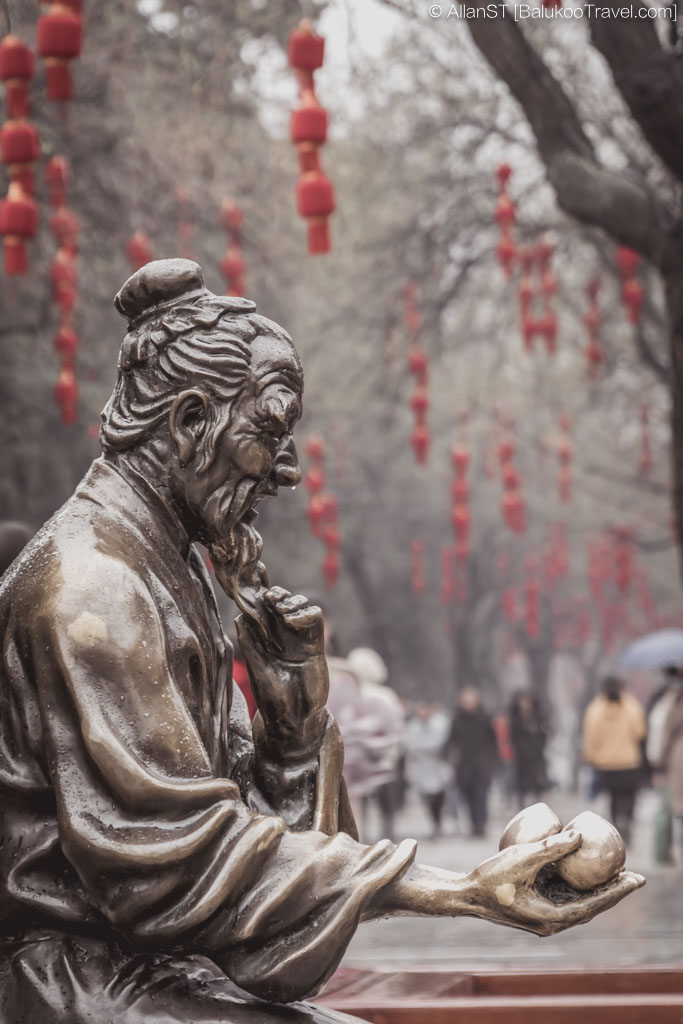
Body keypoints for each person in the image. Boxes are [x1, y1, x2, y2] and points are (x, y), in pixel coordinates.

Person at [0, 260, 642, 1023]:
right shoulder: (92, 588)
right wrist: (453, 891)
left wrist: (293, 729)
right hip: (68, 984)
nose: (288, 470)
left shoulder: (177, 570)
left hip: (156, 969)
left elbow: (263, 929)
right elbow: (170, 873)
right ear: (189, 421)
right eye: (269, 429)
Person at [347, 646, 405, 842]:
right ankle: (387, 836)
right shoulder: (386, 695)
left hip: (356, 758)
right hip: (381, 757)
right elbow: (396, 728)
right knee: (385, 801)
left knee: (359, 802)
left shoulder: (351, 694)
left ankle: (362, 837)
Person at [583, 676, 646, 843]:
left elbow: (591, 737)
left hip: (606, 764)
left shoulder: (595, 709)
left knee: (613, 797)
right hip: (629, 762)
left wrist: (591, 758)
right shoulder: (631, 706)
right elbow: (639, 732)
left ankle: (617, 821)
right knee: (629, 796)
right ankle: (627, 818)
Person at [448, 687, 498, 837]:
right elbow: (452, 740)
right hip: (464, 765)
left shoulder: (484, 718)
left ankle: (481, 824)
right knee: (468, 796)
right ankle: (473, 824)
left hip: (481, 763)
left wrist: (492, 760)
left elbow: (492, 741)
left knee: (481, 795)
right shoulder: (457, 719)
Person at [404, 702, 452, 839]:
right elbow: (409, 744)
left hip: (437, 765)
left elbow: (444, 742)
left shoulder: (440, 724)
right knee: (426, 797)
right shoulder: (412, 726)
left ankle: (438, 822)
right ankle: (434, 823)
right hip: (421, 766)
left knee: (439, 797)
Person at [509, 690, 549, 808]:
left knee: (537, 785)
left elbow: (544, 735)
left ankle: (538, 807)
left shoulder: (538, 718)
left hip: (536, 756)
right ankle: (521, 808)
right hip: (521, 758)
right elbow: (513, 737)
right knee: (521, 787)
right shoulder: (516, 719)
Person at [661, 681, 683, 865]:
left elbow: (667, 732)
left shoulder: (676, 702)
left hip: (679, 756)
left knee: (680, 810)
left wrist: (660, 760)